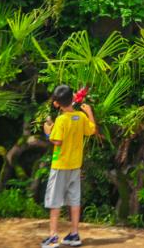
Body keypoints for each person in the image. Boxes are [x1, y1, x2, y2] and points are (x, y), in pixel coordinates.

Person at [41, 85, 97, 247]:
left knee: (55, 200)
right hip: (75, 165)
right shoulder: (80, 117)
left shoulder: (61, 120)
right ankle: (74, 234)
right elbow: (92, 130)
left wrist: (47, 132)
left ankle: (52, 236)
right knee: (74, 200)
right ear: (73, 98)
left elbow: (57, 141)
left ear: (57, 103)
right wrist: (90, 113)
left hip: (60, 166)